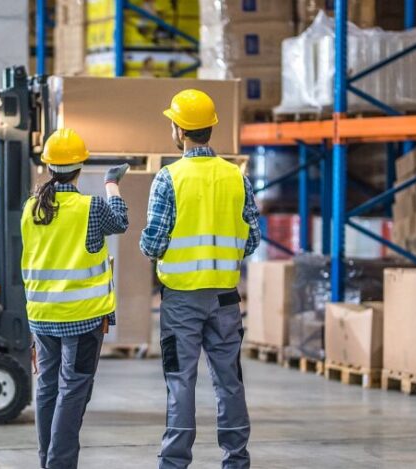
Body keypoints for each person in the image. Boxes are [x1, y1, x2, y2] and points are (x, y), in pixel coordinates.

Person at [141, 89, 261, 469]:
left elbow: (153, 243)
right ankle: (236, 461)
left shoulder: (168, 178)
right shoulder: (235, 177)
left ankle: (174, 464)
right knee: (230, 380)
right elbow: (252, 239)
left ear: (178, 130)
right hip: (226, 299)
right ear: (211, 128)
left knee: (180, 380)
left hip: (180, 302)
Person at [21, 128, 130, 469]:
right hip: (83, 319)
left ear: (48, 166)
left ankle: (47, 461)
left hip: (42, 316)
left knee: (48, 389)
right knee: (73, 391)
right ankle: (60, 465)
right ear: (80, 166)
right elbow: (122, 222)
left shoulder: (31, 209)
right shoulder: (90, 207)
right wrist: (112, 184)